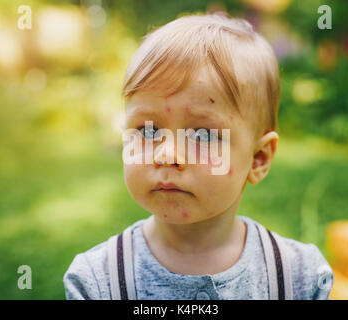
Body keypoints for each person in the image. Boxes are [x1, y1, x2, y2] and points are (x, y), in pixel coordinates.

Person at [63, 11, 334, 300]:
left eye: (202, 135)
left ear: (258, 159)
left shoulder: (298, 278)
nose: (167, 154)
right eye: (147, 129)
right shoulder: (97, 281)